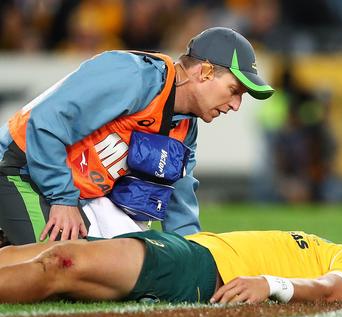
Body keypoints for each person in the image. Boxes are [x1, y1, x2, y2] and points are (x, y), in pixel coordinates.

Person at [0, 27, 274, 245]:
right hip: (18, 169)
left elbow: (178, 198)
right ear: (205, 72)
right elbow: (45, 124)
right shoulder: (135, 76)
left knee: (124, 264)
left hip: (71, 192)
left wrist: (191, 257)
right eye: (235, 90)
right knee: (58, 263)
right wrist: (62, 199)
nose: (236, 105)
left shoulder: (185, 126)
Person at [0, 230, 342, 304]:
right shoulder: (337, 249)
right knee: (38, 254)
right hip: (187, 251)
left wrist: (272, 284)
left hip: (196, 265)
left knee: (60, 263)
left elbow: (330, 289)